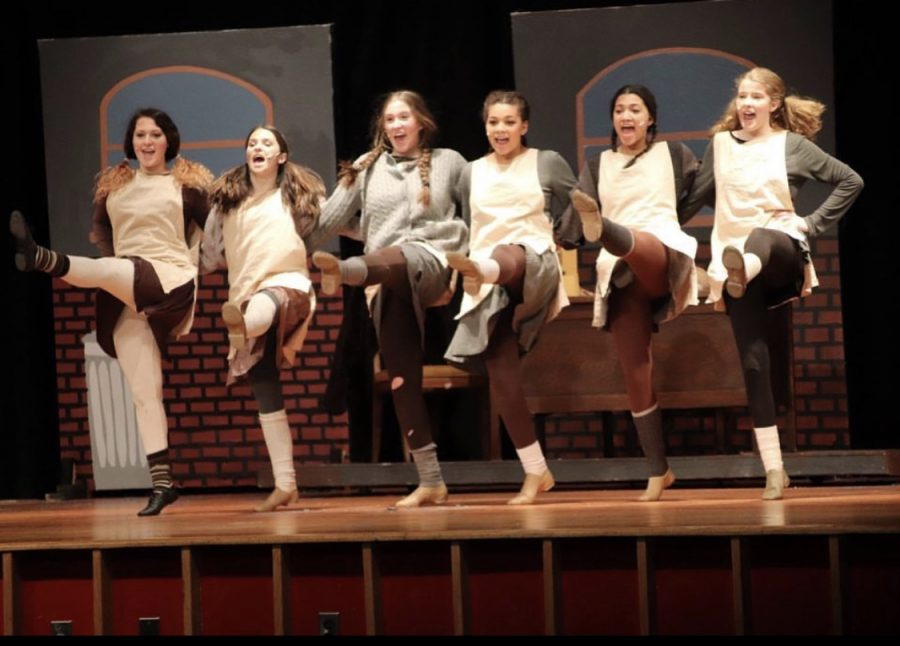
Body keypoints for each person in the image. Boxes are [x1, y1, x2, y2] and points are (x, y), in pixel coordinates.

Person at [10, 107, 213, 515]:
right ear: (131, 142)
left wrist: (203, 271)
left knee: (108, 269)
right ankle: (163, 485)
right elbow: (103, 234)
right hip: (126, 283)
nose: (148, 141)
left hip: (168, 278)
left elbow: (215, 236)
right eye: (141, 135)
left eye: (156, 134)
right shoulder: (114, 186)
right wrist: (114, 274)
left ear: (168, 141)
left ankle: (41, 259)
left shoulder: (186, 186)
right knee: (144, 394)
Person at [683, 67, 863, 499]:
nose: (747, 104)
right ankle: (774, 469)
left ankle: (745, 262)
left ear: (774, 104)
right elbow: (691, 201)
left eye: (756, 97)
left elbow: (850, 180)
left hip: (780, 253)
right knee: (753, 363)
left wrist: (812, 223)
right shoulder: (721, 147)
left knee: (762, 235)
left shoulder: (793, 146)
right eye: (742, 96)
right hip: (737, 274)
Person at [308, 90, 467, 508]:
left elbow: (481, 210)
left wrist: (480, 266)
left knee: (400, 256)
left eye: (404, 117)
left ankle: (344, 273)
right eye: (389, 119)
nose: (396, 125)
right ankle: (431, 480)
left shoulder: (450, 161)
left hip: (432, 261)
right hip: (384, 274)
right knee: (401, 377)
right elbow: (326, 220)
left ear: (420, 123)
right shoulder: (366, 167)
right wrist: (279, 237)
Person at [444, 90, 577, 505]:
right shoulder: (471, 172)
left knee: (511, 253)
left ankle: (482, 270)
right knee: (502, 377)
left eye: (507, 122)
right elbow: (469, 223)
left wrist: (564, 238)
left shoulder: (545, 161)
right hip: (488, 280)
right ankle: (536, 471)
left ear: (524, 126)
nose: (499, 130)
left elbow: (581, 205)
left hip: (533, 262)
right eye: (492, 123)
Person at [568, 83, 700, 501]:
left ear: (650, 119)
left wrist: (677, 220)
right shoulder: (597, 166)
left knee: (639, 242)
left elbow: (703, 189)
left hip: (661, 255)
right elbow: (570, 230)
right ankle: (658, 470)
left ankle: (608, 231)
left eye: (635, 109)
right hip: (619, 274)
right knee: (634, 368)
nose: (627, 116)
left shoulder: (673, 155)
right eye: (620, 110)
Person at [201, 125, 324, 512]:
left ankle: (242, 327)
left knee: (267, 302)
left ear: (281, 156)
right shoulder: (227, 205)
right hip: (245, 295)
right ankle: (286, 484)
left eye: (266, 143)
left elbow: (332, 223)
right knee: (266, 391)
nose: (257, 147)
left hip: (290, 287)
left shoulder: (298, 196)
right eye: (252, 143)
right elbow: (209, 256)